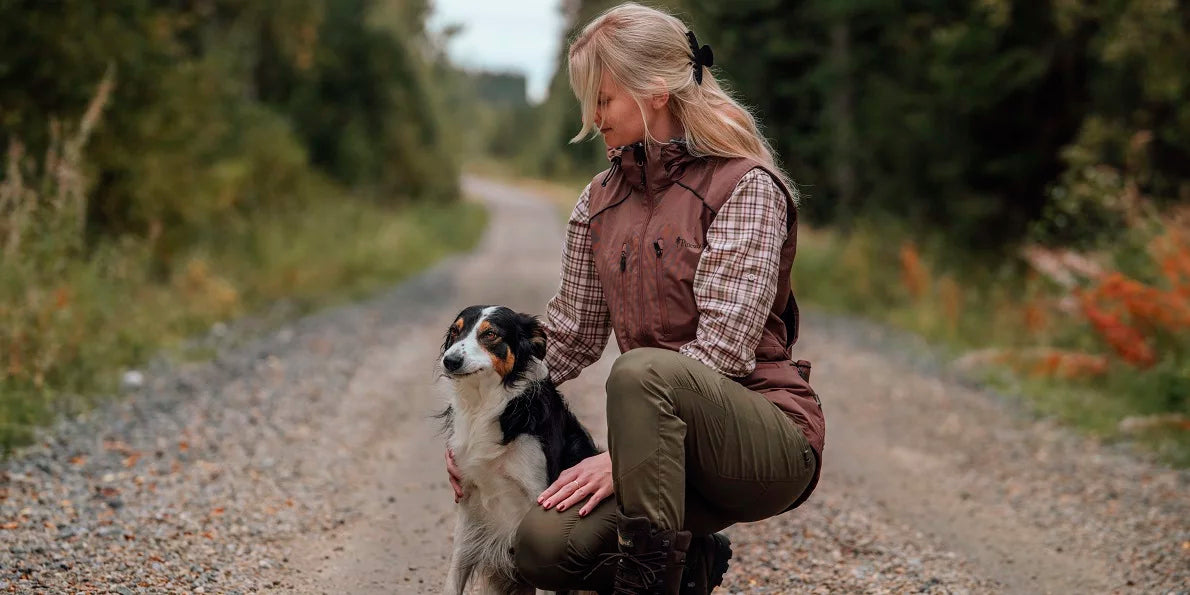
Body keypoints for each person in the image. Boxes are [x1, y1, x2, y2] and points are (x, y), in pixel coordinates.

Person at [445, 3, 825, 593]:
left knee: (641, 371)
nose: (593, 117)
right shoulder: (597, 201)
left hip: (761, 442)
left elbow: (724, 349)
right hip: (662, 459)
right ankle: (693, 562)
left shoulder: (744, 186)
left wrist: (622, 462)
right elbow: (567, 338)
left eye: (603, 99)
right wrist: (478, 431)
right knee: (538, 548)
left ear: (654, 92)